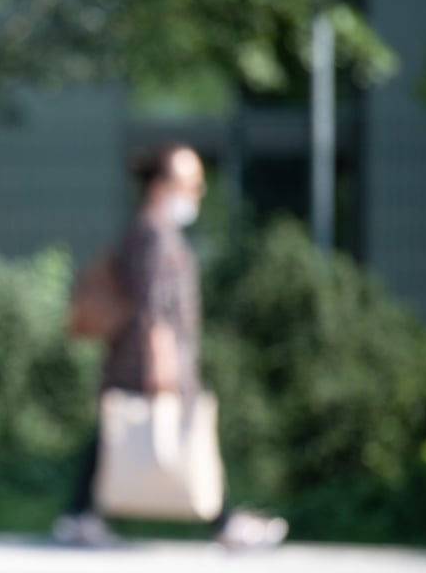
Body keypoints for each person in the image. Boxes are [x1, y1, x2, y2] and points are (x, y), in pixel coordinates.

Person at [53, 142, 288, 549]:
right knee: (179, 434)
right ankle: (224, 522)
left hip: (138, 360)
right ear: (161, 185)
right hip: (146, 360)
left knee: (115, 433)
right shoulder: (152, 234)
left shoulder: (153, 231)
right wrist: (163, 363)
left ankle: (77, 515)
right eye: (190, 183)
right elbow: (153, 307)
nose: (197, 192)